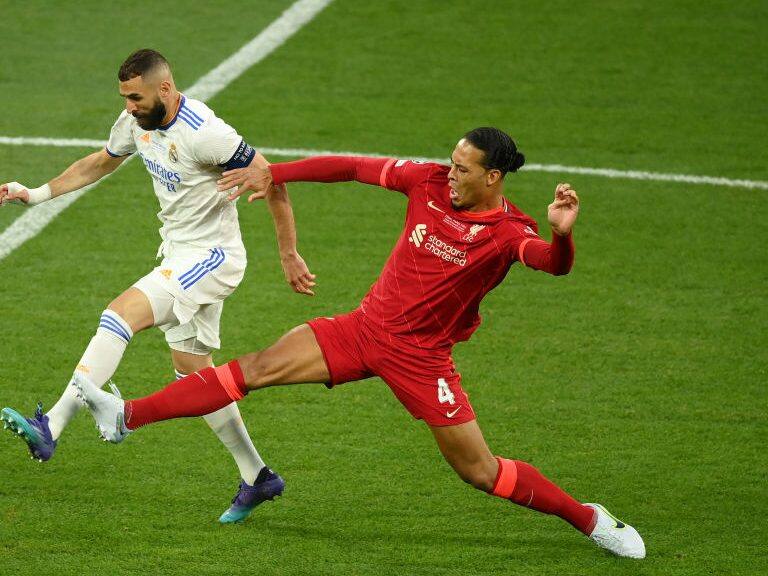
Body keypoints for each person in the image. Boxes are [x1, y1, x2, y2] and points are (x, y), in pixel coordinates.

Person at [74, 127, 646, 558]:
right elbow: (350, 167)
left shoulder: (508, 233)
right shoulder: (426, 181)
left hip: (422, 360)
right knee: (254, 369)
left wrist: (562, 236)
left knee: (481, 472)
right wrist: (275, 174)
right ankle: (125, 416)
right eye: (450, 163)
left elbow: (551, 264)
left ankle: (591, 520)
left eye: (462, 168)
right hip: (362, 330)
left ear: (493, 177)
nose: (449, 173)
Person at [0, 49, 316, 523]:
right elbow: (100, 162)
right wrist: (36, 194)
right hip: (178, 253)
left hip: (213, 257)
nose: (129, 107)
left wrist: (289, 254)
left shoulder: (206, 133)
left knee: (119, 314)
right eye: (125, 98)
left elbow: (272, 181)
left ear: (164, 88)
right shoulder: (136, 120)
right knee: (193, 373)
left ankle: (53, 425)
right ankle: (258, 476)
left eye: (136, 97)